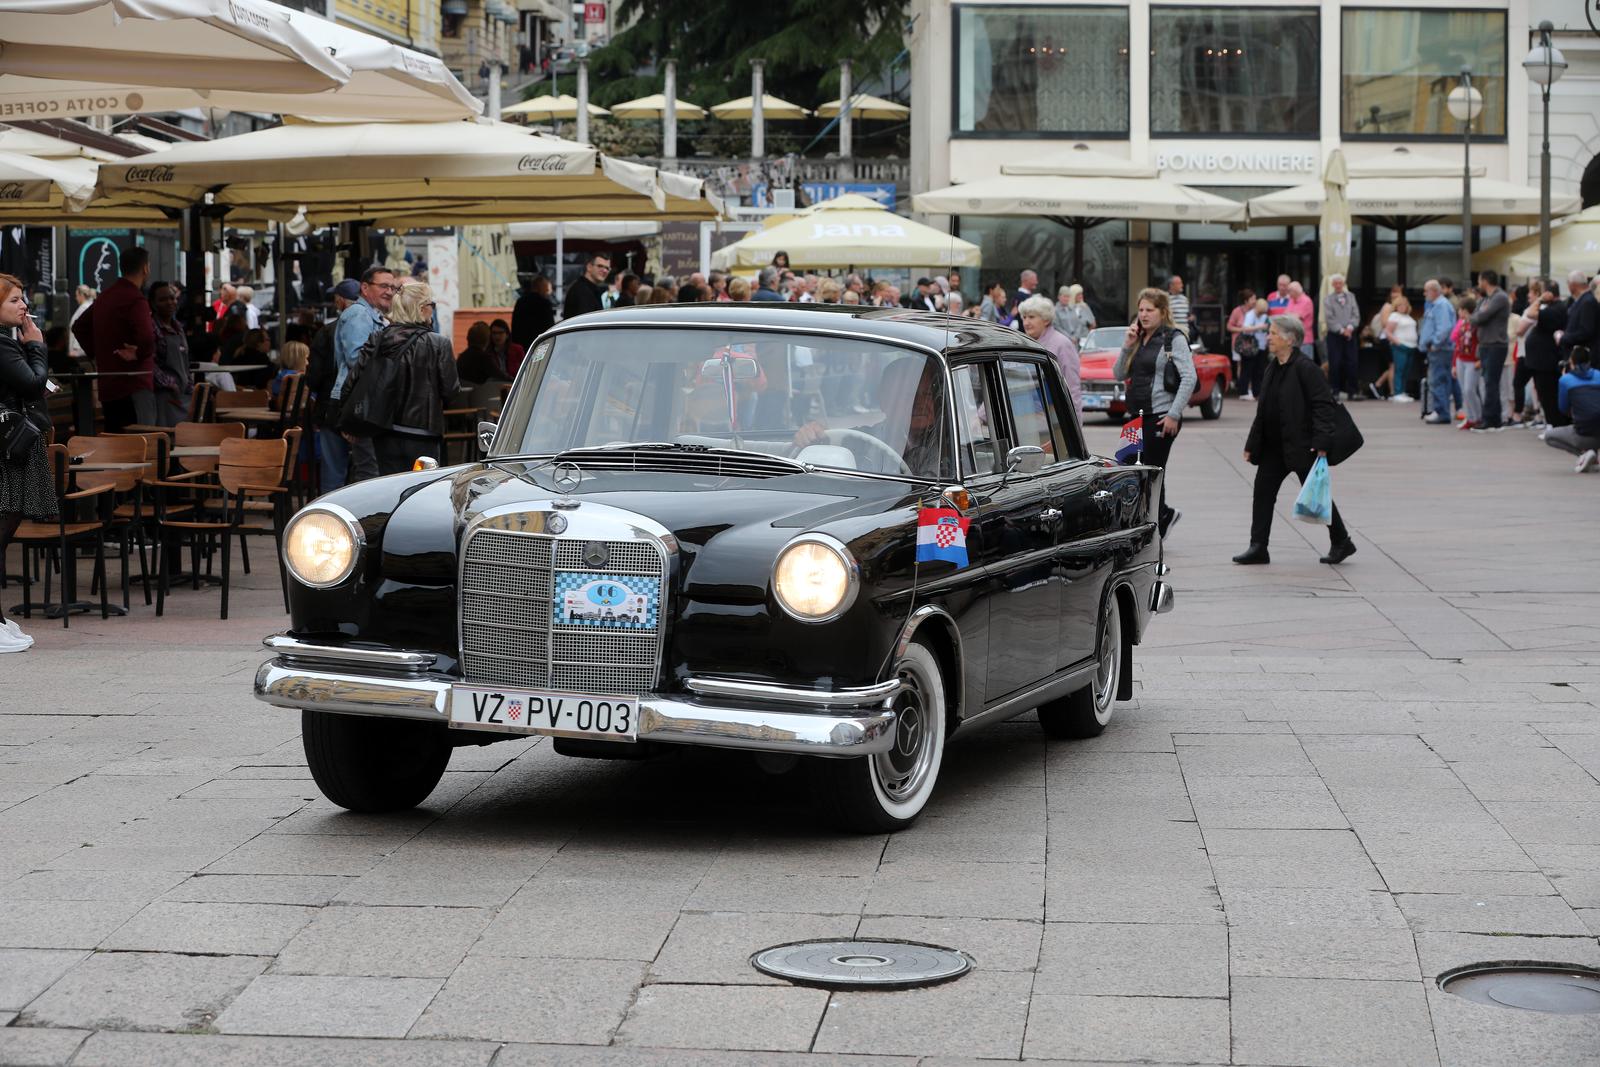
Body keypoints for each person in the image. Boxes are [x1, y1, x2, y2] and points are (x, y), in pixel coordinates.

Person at [1235, 314, 1355, 567]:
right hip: (1273, 448)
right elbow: (1263, 411)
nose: (1268, 337)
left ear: (1290, 339)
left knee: (1317, 495)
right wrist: (1251, 445)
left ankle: (1341, 540)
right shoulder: (1272, 367)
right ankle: (1258, 547)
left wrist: (1322, 443)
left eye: (1273, 333)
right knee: (1263, 493)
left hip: (1302, 446)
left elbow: (1323, 407)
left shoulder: (1306, 368)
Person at [340, 281, 460, 477]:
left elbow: (354, 380)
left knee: (391, 491)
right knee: (423, 491)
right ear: (422, 309)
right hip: (424, 432)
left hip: (385, 429)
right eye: (432, 305)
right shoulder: (439, 344)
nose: (433, 310)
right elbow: (451, 392)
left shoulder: (378, 338)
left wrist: (346, 420)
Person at [0, 274, 57, 651]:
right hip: (7, 446)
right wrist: (36, 347)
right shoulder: (4, 346)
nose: (23, 306)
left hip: (11, 443)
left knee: (3, 533)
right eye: (15, 300)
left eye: (23, 299)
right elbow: (34, 385)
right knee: (0, 532)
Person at [1114, 288, 1196, 538]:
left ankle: (1154, 525)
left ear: (1163, 312)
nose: (1144, 314)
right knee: (1126, 468)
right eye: (1141, 310)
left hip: (1161, 415)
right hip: (1135, 417)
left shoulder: (1174, 338)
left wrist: (1173, 414)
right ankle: (1162, 515)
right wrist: (1127, 346)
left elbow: (1189, 377)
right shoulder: (1138, 338)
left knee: (1152, 472)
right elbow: (1118, 374)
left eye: (1150, 310)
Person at [72, 246, 155, 433]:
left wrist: (98, 353)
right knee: (141, 442)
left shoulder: (105, 297)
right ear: (145, 269)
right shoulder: (135, 299)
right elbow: (147, 337)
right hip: (134, 382)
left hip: (108, 384)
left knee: (114, 442)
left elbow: (78, 326)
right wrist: (139, 353)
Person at [329, 265, 396, 487]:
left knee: (370, 466)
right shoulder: (359, 314)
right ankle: (368, 520)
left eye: (392, 287)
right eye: (383, 286)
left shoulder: (373, 315)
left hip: (365, 401)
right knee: (369, 470)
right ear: (365, 288)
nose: (389, 291)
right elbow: (358, 360)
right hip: (361, 402)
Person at [306, 279, 358, 493]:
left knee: (332, 474)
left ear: (339, 300)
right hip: (363, 411)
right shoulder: (377, 326)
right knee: (366, 473)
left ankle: (328, 521)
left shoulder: (327, 332)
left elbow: (314, 376)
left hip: (331, 408)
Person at [1018, 294, 1081, 414]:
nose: (1026, 322)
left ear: (1046, 320)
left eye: (1031, 317)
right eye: (1024, 317)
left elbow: (1073, 389)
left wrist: (1075, 427)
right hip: (1026, 417)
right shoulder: (1021, 343)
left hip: (1055, 417)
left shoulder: (1062, 344)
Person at [1545, 346, 1600, 472]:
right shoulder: (1599, 375)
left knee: (1549, 436)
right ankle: (1592, 454)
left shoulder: (1566, 380)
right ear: (1589, 361)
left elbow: (1563, 408)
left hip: (1584, 433)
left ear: (1571, 362)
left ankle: (1584, 455)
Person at [1522, 278, 1568, 428]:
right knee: (1545, 397)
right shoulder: (1552, 308)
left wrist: (1540, 299)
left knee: (1549, 398)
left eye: (1541, 292)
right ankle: (1553, 425)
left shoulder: (1556, 308)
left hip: (1547, 362)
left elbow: (1530, 313)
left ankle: (1556, 426)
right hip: (1541, 362)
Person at [1471, 269, 1511, 430]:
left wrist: (1477, 316)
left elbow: (1480, 317)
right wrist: (1477, 316)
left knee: (1491, 382)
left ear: (1485, 280)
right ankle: (1494, 418)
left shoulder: (1500, 297)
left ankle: (1490, 419)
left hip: (1496, 344)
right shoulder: (1486, 298)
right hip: (1486, 344)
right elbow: (1475, 316)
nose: (1479, 283)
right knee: (1489, 382)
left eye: (1480, 280)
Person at [149, 281, 191, 427]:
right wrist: (168, 384)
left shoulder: (178, 328)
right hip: (162, 396)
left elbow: (185, 361)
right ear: (153, 304)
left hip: (183, 396)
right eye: (163, 299)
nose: (169, 302)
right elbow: (148, 361)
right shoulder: (151, 327)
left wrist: (189, 385)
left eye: (172, 298)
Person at [1418, 279, 1456, 422]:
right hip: (1440, 349)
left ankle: (1441, 413)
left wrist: (1435, 344)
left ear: (1434, 291)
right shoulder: (1437, 305)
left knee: (1438, 380)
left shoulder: (1441, 305)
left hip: (1440, 350)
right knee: (1441, 380)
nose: (1424, 293)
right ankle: (1441, 411)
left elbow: (1444, 328)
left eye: (1426, 290)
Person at [1323, 274, 1360, 400]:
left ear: (1343, 284)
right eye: (1336, 283)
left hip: (1350, 334)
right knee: (1335, 363)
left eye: (1340, 283)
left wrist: (1350, 328)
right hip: (1335, 335)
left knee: (1352, 362)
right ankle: (1335, 390)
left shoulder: (1351, 297)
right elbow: (1329, 318)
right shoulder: (1328, 299)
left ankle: (1353, 391)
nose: (1338, 285)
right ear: (1333, 285)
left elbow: (1356, 315)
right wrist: (1341, 330)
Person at [1451, 296, 1482, 431]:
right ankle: (1470, 417)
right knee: (1464, 389)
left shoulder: (1476, 324)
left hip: (1472, 360)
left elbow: (1481, 342)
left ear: (1465, 310)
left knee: (1470, 389)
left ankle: (1477, 417)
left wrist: (1480, 359)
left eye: (1460, 310)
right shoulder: (1462, 323)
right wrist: (1454, 363)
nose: (1459, 313)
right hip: (1461, 359)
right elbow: (1458, 344)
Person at [1383, 294, 1418, 403]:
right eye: (1400, 305)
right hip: (1400, 346)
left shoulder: (1408, 317)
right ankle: (1397, 392)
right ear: (1396, 306)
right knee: (1399, 369)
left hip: (1411, 346)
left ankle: (1402, 391)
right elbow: (1388, 331)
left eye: (1405, 305)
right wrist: (1397, 342)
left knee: (1406, 371)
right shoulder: (1394, 316)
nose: (1403, 307)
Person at [1560, 270, 1597, 363]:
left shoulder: (1587, 302)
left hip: (1582, 358)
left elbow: (1586, 331)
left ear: (1573, 285)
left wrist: (1564, 338)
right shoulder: (1581, 300)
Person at [562, 253, 610, 320]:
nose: (605, 270)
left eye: (607, 268)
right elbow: (586, 322)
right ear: (589, 267)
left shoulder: (589, 289)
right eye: (600, 266)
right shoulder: (581, 290)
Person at [1239, 297, 1270, 400]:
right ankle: (1243, 392)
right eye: (1260, 312)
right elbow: (1245, 329)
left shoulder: (1265, 316)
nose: (1261, 314)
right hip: (1250, 347)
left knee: (1259, 371)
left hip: (1261, 346)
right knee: (1247, 370)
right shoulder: (1250, 315)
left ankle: (1257, 392)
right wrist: (1259, 327)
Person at [1226, 289, 1256, 394]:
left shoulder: (1256, 311)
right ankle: (1244, 388)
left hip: (1252, 344)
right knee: (1240, 365)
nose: (1255, 301)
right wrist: (1242, 329)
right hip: (1239, 343)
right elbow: (1229, 326)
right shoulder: (1237, 311)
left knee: (1251, 366)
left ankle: (1250, 388)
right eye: (1252, 299)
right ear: (1246, 301)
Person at [511, 275, 555, 348]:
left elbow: (515, 325)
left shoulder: (520, 302)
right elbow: (549, 326)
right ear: (539, 288)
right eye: (546, 289)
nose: (547, 292)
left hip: (522, 344)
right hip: (539, 344)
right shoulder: (544, 303)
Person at [271, 340, 309, 407]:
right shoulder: (299, 378)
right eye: (306, 359)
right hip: (297, 413)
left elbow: (275, 392)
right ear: (297, 360)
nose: (307, 363)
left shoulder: (281, 375)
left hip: (283, 411)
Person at [1286, 281, 1316, 361]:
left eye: (1289, 291)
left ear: (1295, 291)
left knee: (1306, 366)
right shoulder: (1291, 300)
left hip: (1304, 340)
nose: (1288, 294)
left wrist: (1289, 315)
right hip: (1293, 339)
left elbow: (1296, 317)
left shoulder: (1306, 301)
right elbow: (1285, 316)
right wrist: (1290, 315)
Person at [67, 285, 95, 359]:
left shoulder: (85, 308)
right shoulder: (85, 307)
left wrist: (76, 349)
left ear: (81, 295)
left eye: (77, 295)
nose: (76, 298)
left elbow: (80, 328)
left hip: (80, 351)